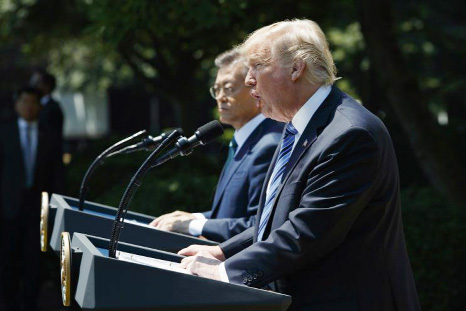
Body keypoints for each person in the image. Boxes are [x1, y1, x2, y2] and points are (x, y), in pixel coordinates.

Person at [177, 19, 421, 311]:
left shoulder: (350, 133)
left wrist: (224, 272)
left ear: (296, 68)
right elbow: (273, 220)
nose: (249, 79)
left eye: (257, 66)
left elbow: (308, 232)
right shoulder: (296, 127)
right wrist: (221, 251)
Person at [150, 48, 283, 242]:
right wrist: (197, 217)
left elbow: (260, 225)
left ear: (256, 90)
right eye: (217, 89)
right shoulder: (243, 140)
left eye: (228, 88)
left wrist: (193, 226)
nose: (220, 97)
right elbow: (230, 214)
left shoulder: (268, 146)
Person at [0, 86, 64, 311]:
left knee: (34, 262)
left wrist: (55, 207)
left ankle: (30, 304)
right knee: (7, 262)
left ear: (39, 105)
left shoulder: (50, 134)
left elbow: (57, 176)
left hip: (39, 209)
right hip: (8, 209)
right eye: (24, 101)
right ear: (17, 104)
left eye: (33, 102)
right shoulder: (4, 133)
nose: (28, 106)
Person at [30, 69, 64, 140]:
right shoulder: (39, 104)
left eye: (36, 83)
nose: (33, 86)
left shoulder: (53, 108)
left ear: (46, 86)